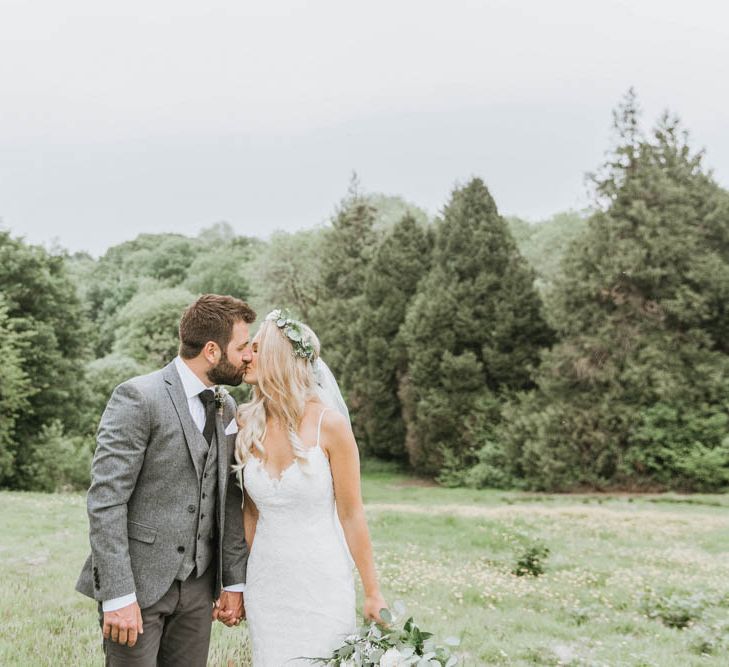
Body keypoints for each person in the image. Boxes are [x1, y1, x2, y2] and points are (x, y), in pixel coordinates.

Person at [76, 294, 255, 666]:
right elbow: (106, 500)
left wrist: (233, 582)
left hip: (198, 589)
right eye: (241, 348)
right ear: (211, 350)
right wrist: (118, 594)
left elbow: (228, 500)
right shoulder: (138, 397)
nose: (248, 356)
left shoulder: (228, 408)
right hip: (137, 587)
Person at [235, 309, 387, 666]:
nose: (246, 356)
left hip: (321, 580)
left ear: (278, 358)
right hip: (267, 583)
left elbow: (351, 514)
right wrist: (242, 581)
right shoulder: (245, 422)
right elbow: (250, 513)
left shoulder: (330, 426)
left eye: (256, 349)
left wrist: (373, 591)